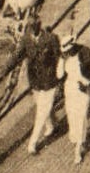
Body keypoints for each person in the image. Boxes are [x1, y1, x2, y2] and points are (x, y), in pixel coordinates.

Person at [56, 26, 90, 165]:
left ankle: (78, 148)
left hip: (83, 88)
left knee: (81, 116)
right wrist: (62, 61)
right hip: (70, 88)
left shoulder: (85, 52)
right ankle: (77, 138)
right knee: (71, 114)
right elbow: (59, 75)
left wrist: (89, 85)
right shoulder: (64, 59)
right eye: (65, 51)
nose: (67, 53)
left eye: (69, 50)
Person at [22, 14, 61, 154]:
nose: (32, 28)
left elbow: (59, 58)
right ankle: (52, 126)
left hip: (49, 80)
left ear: (39, 24)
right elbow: (17, 55)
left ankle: (32, 144)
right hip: (35, 82)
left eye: (34, 25)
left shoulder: (51, 39)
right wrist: (6, 68)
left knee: (41, 111)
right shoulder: (26, 39)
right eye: (30, 26)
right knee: (42, 106)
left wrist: (60, 79)